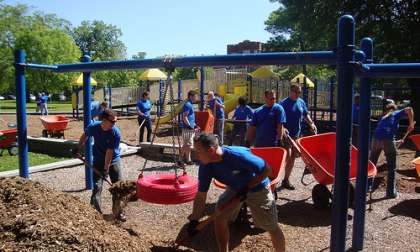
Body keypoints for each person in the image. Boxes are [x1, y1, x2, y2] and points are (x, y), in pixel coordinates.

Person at [187, 133, 286, 252]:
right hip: (235, 188)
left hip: (258, 188)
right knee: (220, 217)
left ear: (211, 150)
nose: (195, 156)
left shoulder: (238, 156)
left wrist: (249, 186)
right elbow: (201, 195)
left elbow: (267, 170)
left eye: (198, 151)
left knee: (271, 226)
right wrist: (194, 220)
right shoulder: (205, 166)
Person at [76, 108, 125, 221]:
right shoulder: (94, 127)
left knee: (118, 188)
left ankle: (119, 213)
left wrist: (106, 169)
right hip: (98, 160)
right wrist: (78, 148)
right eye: (112, 121)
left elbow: (109, 152)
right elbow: (85, 135)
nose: (114, 123)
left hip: (113, 161)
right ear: (104, 119)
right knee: (97, 187)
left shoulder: (115, 133)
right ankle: (95, 212)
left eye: (115, 121)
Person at [369, 102, 415, 198]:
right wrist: (411, 124)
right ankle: (390, 192)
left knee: (371, 164)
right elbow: (409, 109)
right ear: (394, 108)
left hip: (375, 139)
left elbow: (384, 134)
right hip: (387, 140)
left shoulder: (384, 116)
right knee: (391, 167)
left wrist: (397, 141)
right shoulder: (396, 112)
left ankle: (367, 187)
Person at [279, 83, 317, 190]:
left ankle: (285, 180)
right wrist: (283, 129)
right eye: (295, 92)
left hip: (296, 135)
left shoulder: (301, 102)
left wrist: (311, 123)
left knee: (292, 158)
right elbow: (278, 120)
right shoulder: (283, 104)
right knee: (287, 156)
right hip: (286, 135)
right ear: (290, 91)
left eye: (299, 92)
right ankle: (275, 177)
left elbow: (305, 114)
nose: (297, 94)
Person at [180, 90, 198, 165]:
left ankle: (188, 160)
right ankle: (179, 160)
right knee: (188, 145)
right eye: (195, 96)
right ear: (191, 96)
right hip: (187, 128)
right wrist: (190, 127)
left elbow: (190, 117)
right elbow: (184, 117)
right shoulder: (187, 105)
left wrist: (195, 125)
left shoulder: (189, 104)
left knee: (187, 145)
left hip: (189, 127)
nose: (196, 98)